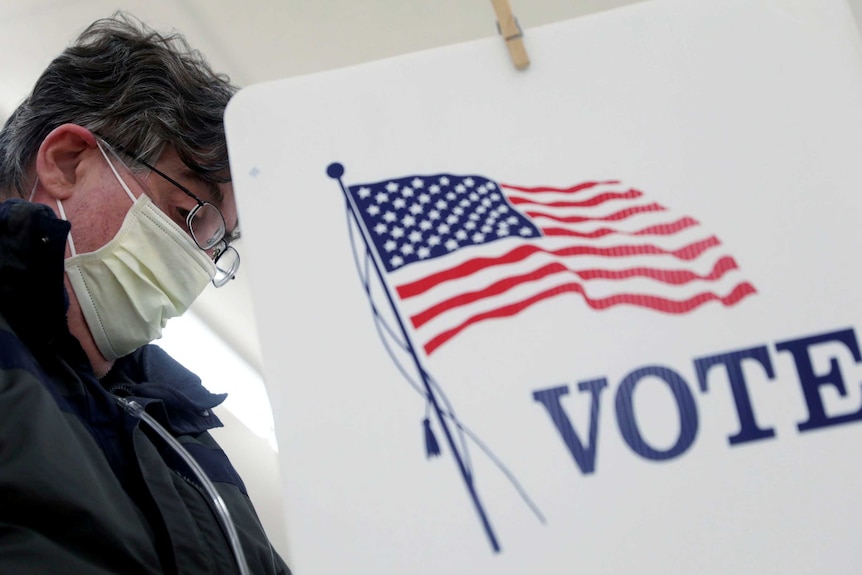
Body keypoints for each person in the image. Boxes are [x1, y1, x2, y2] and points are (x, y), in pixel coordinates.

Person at [0, 13, 291, 575]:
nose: (197, 267)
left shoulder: (181, 434)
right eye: (187, 216)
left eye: (215, 245)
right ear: (66, 162)